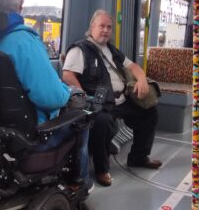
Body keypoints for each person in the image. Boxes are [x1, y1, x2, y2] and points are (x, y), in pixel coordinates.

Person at [0, 0, 91, 189]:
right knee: (83, 118)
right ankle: (78, 182)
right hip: (28, 140)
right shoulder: (24, 42)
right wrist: (69, 92)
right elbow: (51, 98)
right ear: (21, 4)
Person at [63, 10, 162, 187]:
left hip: (121, 100)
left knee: (149, 112)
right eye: (102, 26)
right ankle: (102, 169)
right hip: (98, 102)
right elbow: (68, 75)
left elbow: (133, 66)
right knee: (101, 122)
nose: (106, 30)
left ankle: (138, 157)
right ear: (92, 27)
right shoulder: (80, 49)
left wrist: (141, 79)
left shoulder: (112, 50)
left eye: (109, 27)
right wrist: (84, 96)